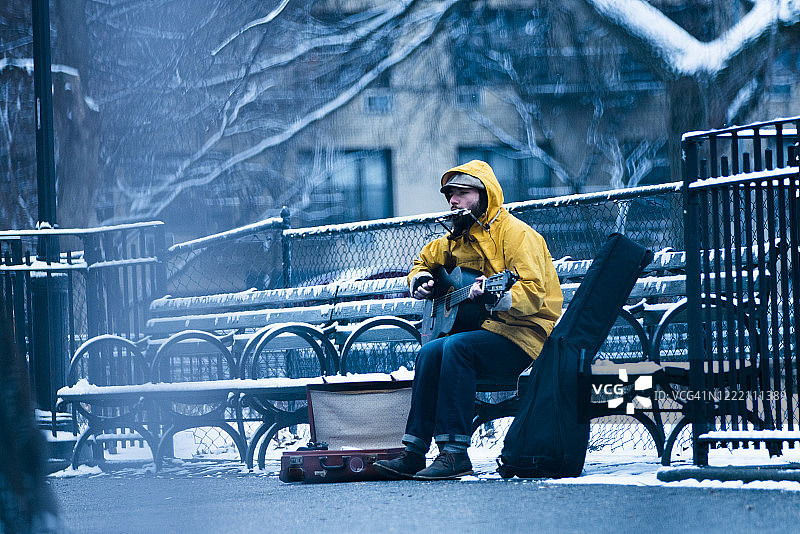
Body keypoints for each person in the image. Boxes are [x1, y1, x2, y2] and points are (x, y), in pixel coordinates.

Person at [373, 160, 563, 480]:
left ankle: (454, 453)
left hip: (525, 335)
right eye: (449, 194)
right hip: (487, 333)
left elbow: (537, 293)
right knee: (430, 351)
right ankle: (414, 452)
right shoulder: (457, 239)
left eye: (462, 192)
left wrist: (498, 297)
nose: (453, 200)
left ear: (484, 195)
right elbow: (425, 259)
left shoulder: (517, 235)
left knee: (457, 347)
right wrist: (420, 279)